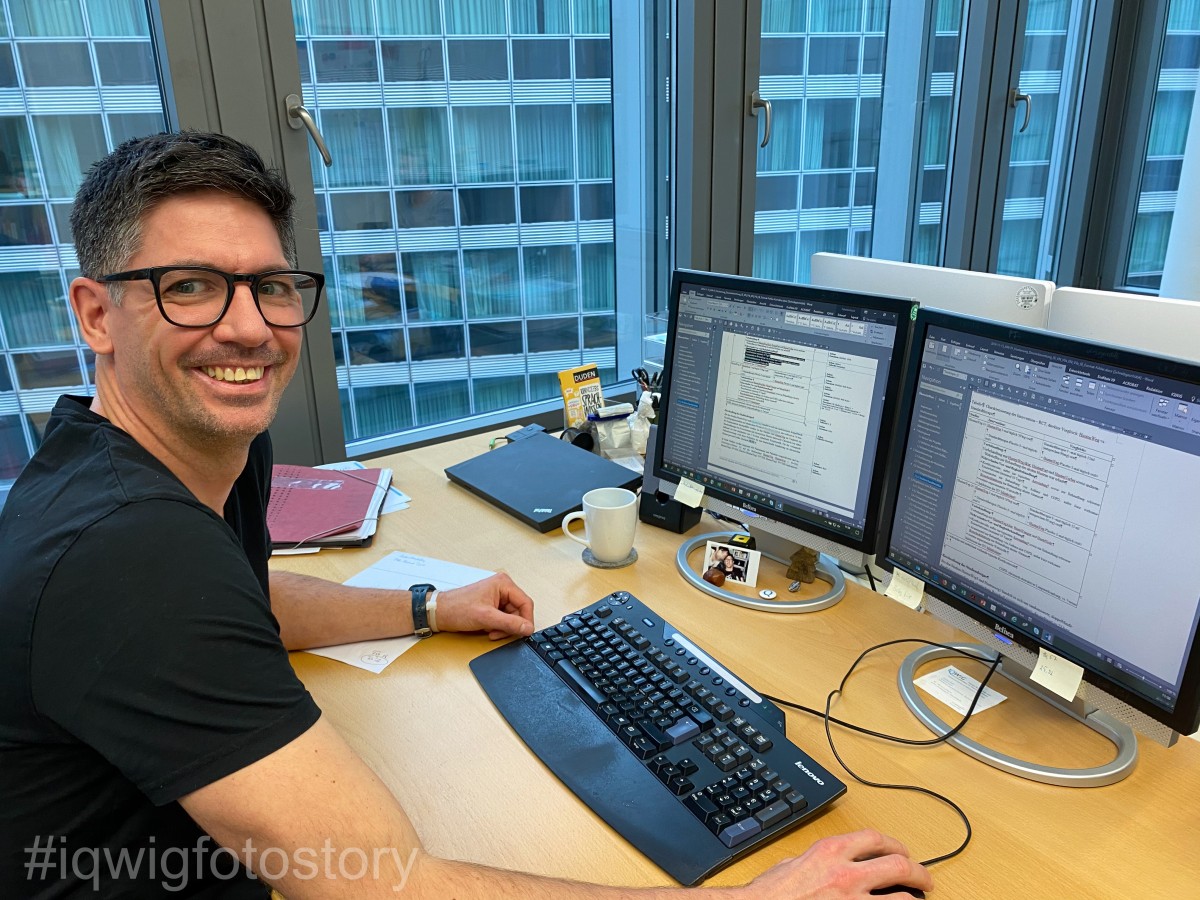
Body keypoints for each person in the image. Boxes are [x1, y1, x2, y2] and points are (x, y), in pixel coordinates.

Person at [0, 131, 933, 898]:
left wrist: (423, 606)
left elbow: (243, 599)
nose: (248, 328)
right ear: (95, 313)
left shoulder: (175, 455)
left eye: (271, 288)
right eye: (190, 287)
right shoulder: (127, 556)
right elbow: (387, 882)